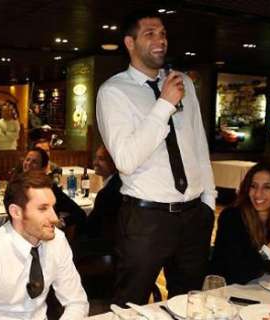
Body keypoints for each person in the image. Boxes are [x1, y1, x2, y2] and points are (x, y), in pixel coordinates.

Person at [95, 10, 216, 305]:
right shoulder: (113, 92)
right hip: (145, 219)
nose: (160, 40)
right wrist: (163, 105)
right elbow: (125, 160)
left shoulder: (183, 83)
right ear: (130, 43)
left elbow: (199, 146)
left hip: (194, 217)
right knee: (129, 305)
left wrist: (208, 204)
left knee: (189, 303)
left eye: (162, 33)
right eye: (150, 34)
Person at [0, 171, 89, 319]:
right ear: (16, 212)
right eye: (43, 208)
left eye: (53, 207)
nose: (54, 218)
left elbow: (77, 302)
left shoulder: (57, 241)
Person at [18, 147, 87, 233]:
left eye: (34, 162)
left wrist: (59, 223)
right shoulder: (17, 185)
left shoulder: (49, 188)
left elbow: (80, 214)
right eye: (27, 160)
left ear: (43, 168)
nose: (28, 164)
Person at [85, 145, 122, 240]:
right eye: (95, 158)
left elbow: (93, 227)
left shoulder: (108, 192)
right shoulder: (116, 183)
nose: (95, 162)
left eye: (101, 159)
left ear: (114, 163)